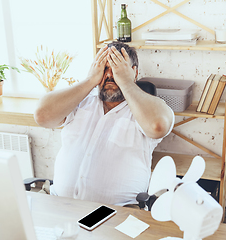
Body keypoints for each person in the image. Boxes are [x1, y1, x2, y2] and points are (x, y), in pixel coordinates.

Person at [34, 41, 174, 206]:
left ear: (134, 72)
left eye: (117, 67)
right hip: (61, 205)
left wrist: (126, 82)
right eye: (104, 67)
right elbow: (42, 115)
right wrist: (90, 80)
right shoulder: (81, 101)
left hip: (117, 214)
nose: (109, 74)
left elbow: (158, 126)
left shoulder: (143, 110)